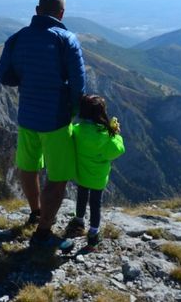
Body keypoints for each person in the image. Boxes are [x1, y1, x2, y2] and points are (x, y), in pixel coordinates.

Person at [0, 0, 86, 250]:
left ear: (37, 10)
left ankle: (35, 212)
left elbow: (3, 76)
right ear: (61, 13)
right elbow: (79, 86)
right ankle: (43, 233)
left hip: (26, 116)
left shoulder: (17, 39)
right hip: (56, 120)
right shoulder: (67, 40)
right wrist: (72, 110)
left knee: (29, 166)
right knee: (57, 177)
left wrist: (27, 82)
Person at [65, 94, 125, 251]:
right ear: (101, 113)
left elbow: (69, 132)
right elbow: (118, 150)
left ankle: (78, 221)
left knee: (81, 196)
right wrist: (115, 133)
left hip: (81, 174)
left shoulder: (77, 131)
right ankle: (93, 235)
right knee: (95, 204)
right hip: (98, 178)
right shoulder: (106, 136)